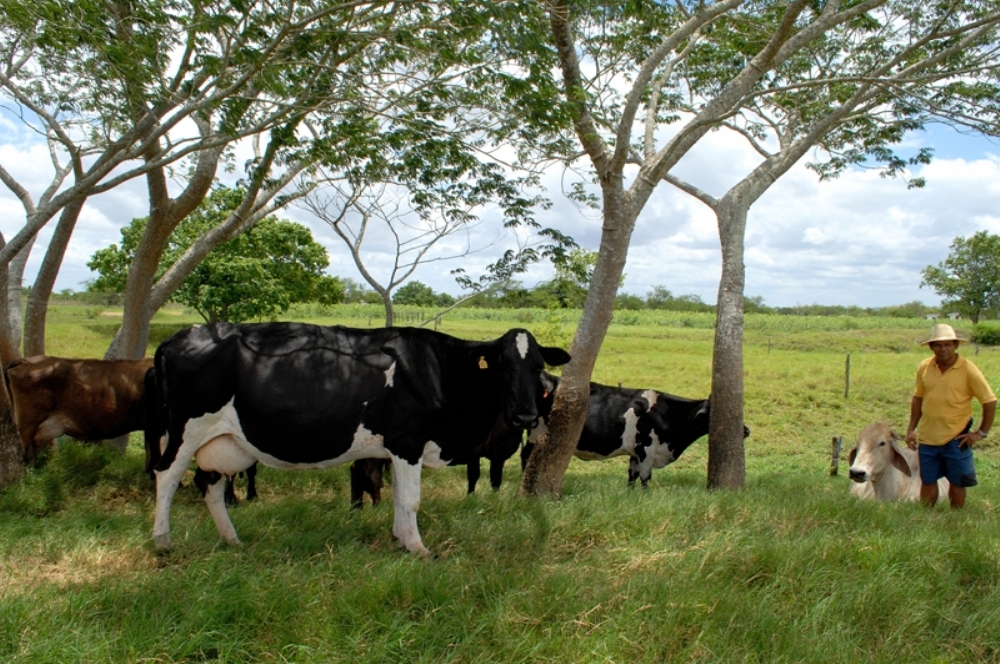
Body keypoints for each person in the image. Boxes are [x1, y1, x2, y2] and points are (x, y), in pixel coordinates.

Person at [906, 323, 996, 508]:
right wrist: (911, 429)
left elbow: (989, 401)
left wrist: (981, 433)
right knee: (928, 481)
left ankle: (955, 518)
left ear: (956, 345)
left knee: (957, 483)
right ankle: (927, 518)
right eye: (938, 345)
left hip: (956, 437)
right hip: (928, 437)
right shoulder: (925, 367)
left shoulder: (968, 369)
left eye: (948, 344)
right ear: (931, 347)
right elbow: (918, 398)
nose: (943, 349)